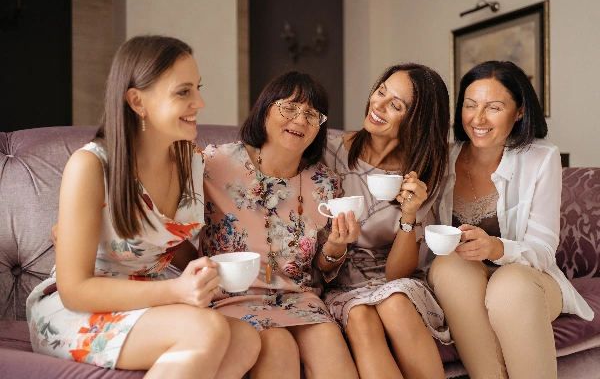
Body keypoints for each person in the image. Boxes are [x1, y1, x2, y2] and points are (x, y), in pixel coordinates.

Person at [26, 35, 260, 378]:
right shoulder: (90, 166)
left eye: (197, 88)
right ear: (137, 101)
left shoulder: (190, 160)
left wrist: (207, 270)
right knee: (206, 329)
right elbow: (76, 291)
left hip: (149, 302)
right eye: (184, 91)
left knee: (246, 340)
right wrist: (176, 290)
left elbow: (167, 240)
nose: (201, 102)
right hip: (81, 310)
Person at [427, 60, 594, 379]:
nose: (477, 118)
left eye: (493, 107)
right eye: (470, 105)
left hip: (531, 280)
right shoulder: (443, 156)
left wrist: (494, 248)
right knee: (447, 266)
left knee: (509, 285)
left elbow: (543, 250)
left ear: (519, 111)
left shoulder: (541, 156)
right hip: (464, 281)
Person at [201, 71, 359, 379]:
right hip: (232, 296)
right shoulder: (214, 164)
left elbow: (322, 269)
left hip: (299, 296)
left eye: (312, 114)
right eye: (289, 107)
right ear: (264, 110)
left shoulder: (325, 184)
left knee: (328, 341)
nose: (300, 119)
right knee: (277, 344)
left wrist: (337, 247)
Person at [321, 63, 451, 379]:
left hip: (395, 280)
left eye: (395, 105)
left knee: (395, 302)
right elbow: (320, 261)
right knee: (362, 319)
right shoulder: (328, 152)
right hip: (339, 278)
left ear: (415, 123)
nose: (377, 105)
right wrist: (337, 245)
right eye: (381, 92)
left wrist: (409, 215)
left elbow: (397, 274)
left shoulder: (425, 173)